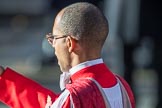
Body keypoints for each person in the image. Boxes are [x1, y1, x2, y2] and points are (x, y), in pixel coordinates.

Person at [0, 2, 135, 108]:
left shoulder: (74, 96)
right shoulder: (122, 86)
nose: (53, 45)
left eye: (54, 38)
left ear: (69, 43)